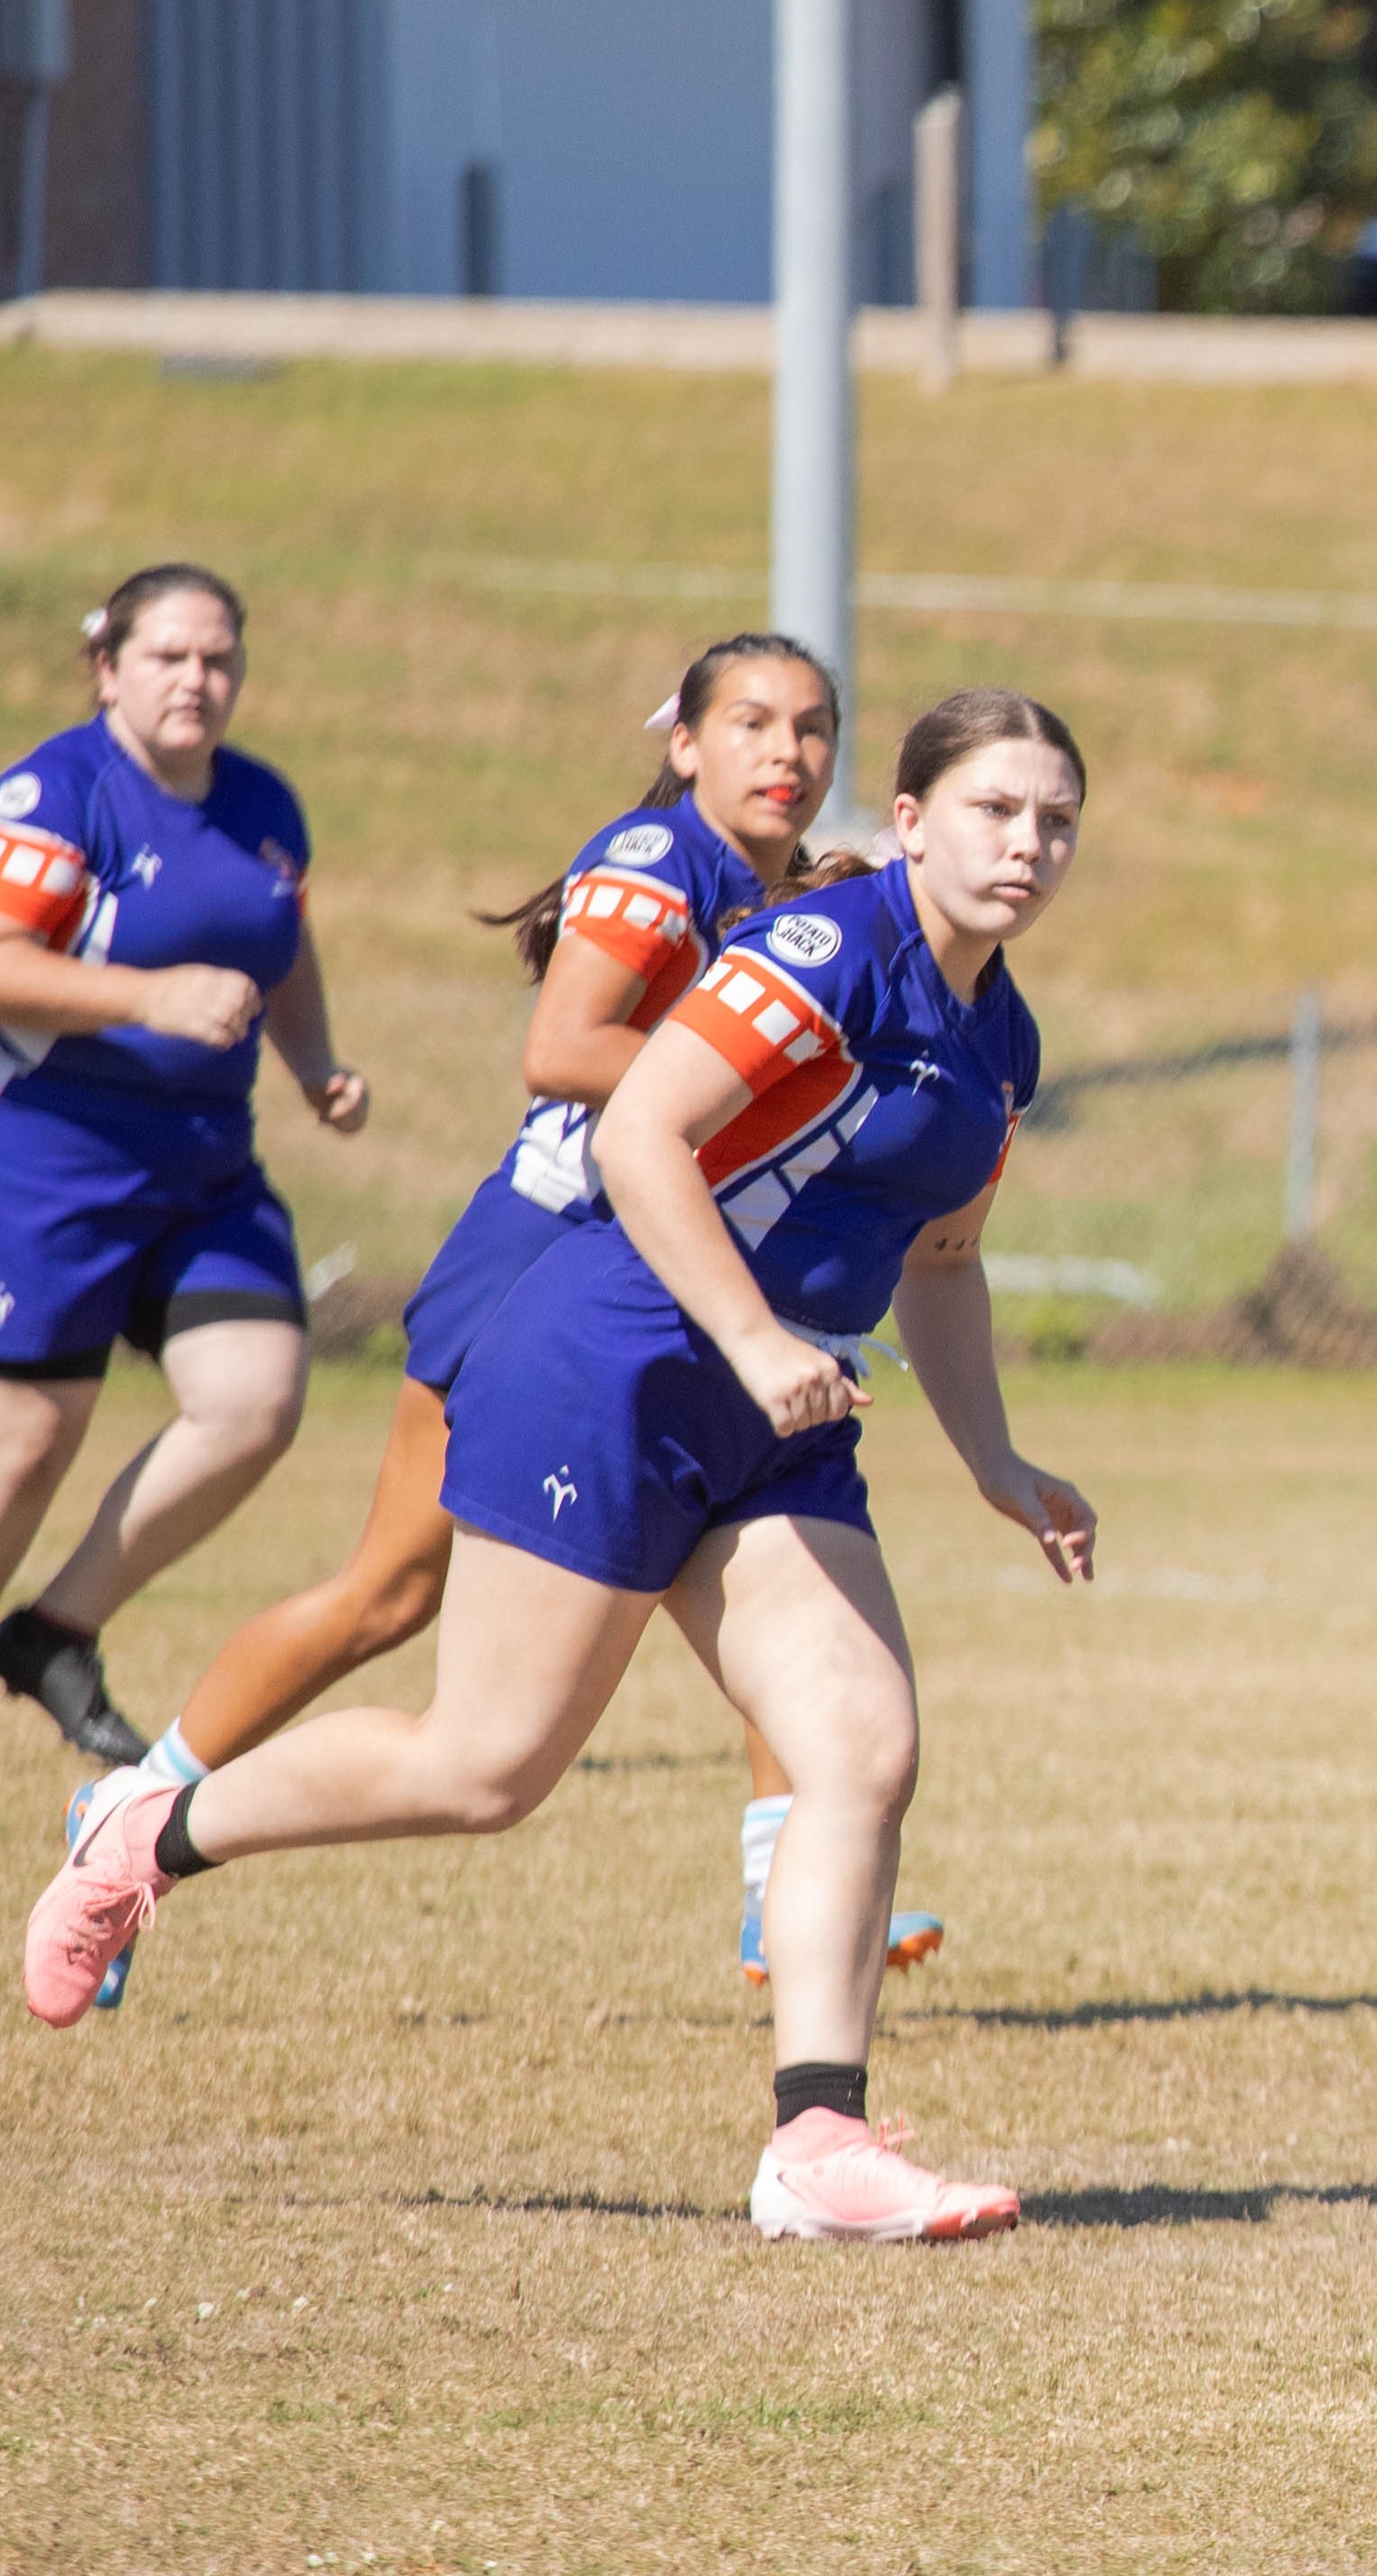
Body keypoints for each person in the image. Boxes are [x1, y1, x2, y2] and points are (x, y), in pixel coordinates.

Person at [18, 692, 1103, 2248]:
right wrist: (745, 1337)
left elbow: (944, 1263)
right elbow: (638, 1138)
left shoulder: (1001, 1035)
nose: (1030, 844)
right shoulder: (828, 952)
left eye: (1056, 820)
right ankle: (143, 1833)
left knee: (860, 1748)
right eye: (997, 810)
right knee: (485, 1770)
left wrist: (997, 1460)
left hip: (772, 1406)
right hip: (618, 1353)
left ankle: (816, 2142)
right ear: (916, 821)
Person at [125, 635, 941, 1993]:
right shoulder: (653, 859)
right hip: (543, 1267)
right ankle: (140, 1805)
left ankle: (773, 1880)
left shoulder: (793, 893)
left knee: (770, 1538)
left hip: (672, 1282)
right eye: (750, 723)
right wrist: (764, 1081)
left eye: (812, 728)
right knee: (391, 1590)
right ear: (684, 743)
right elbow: (562, 1050)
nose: (787, 754)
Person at [0, 565, 369, 1775]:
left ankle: (55, 1633)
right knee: (33, 1428)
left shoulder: (260, 803)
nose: (197, 680)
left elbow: (280, 949)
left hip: (201, 1158)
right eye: (169, 657)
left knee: (255, 1401)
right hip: (41, 1147)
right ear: (108, 668)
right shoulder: (57, 794)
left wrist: (315, 1067)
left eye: (218, 660)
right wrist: (148, 996)